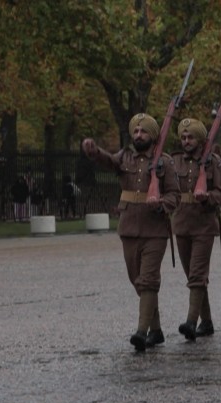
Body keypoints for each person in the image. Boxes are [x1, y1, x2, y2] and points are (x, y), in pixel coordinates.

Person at [81, 113, 180, 351]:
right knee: (137, 280)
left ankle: (141, 332)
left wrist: (161, 204)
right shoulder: (125, 156)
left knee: (148, 281)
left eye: (143, 131)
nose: (139, 135)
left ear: (153, 135)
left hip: (155, 230)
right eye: (136, 131)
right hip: (129, 228)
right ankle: (156, 330)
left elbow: (174, 195)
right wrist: (94, 151)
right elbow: (108, 161)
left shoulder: (164, 162)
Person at [172, 118, 221, 341]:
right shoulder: (174, 161)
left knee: (197, 275)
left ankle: (191, 322)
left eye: (191, 137)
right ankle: (207, 321)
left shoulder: (213, 161)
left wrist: (207, 197)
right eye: (183, 137)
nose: (186, 141)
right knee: (192, 275)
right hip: (182, 224)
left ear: (201, 139)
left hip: (204, 224)